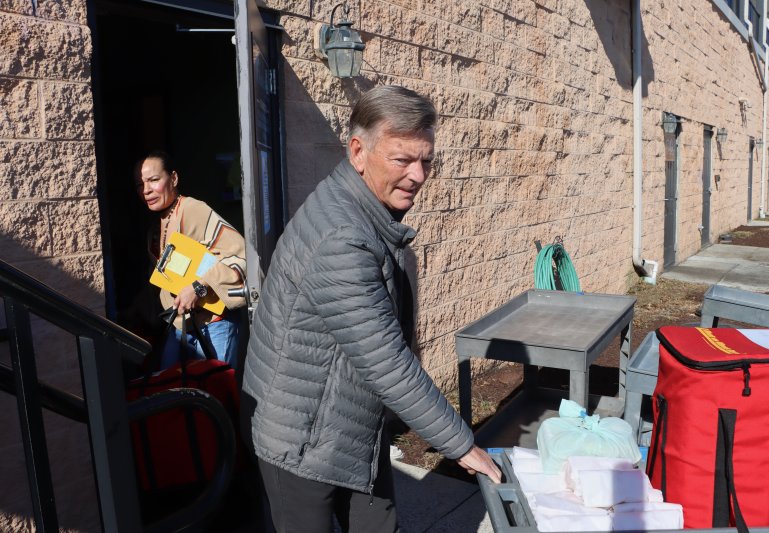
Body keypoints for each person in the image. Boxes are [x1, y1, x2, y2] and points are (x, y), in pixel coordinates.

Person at [241, 86, 502, 533]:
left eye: (426, 161)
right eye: (403, 159)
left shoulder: (364, 209)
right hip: (300, 441)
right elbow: (387, 363)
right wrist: (462, 445)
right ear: (358, 152)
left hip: (348, 426)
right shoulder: (344, 238)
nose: (418, 175)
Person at [135, 150, 246, 368]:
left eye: (154, 180)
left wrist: (198, 287)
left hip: (214, 324)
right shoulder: (157, 225)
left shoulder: (192, 209)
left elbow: (240, 255)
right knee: (176, 393)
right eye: (140, 184)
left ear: (173, 178)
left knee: (214, 394)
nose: (146, 190)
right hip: (180, 326)